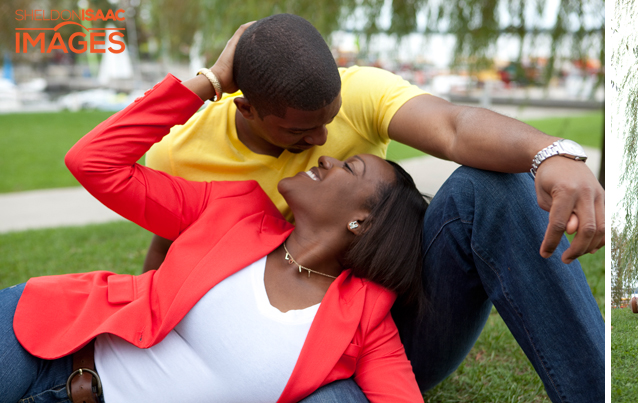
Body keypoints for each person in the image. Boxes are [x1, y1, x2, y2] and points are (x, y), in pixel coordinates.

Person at [142, 14, 604, 402]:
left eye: (329, 119)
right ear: (247, 110)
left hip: (401, 323)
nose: (322, 143)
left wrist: (552, 153)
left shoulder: (360, 90)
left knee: (493, 186)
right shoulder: (178, 155)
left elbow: (453, 126)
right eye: (300, 130)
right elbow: (164, 259)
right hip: (304, 357)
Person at [0, 24, 429, 403]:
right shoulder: (233, 208)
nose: (325, 155)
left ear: (361, 222)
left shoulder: (365, 318)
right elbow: (93, 162)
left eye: (350, 166)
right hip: (47, 345)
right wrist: (213, 80)